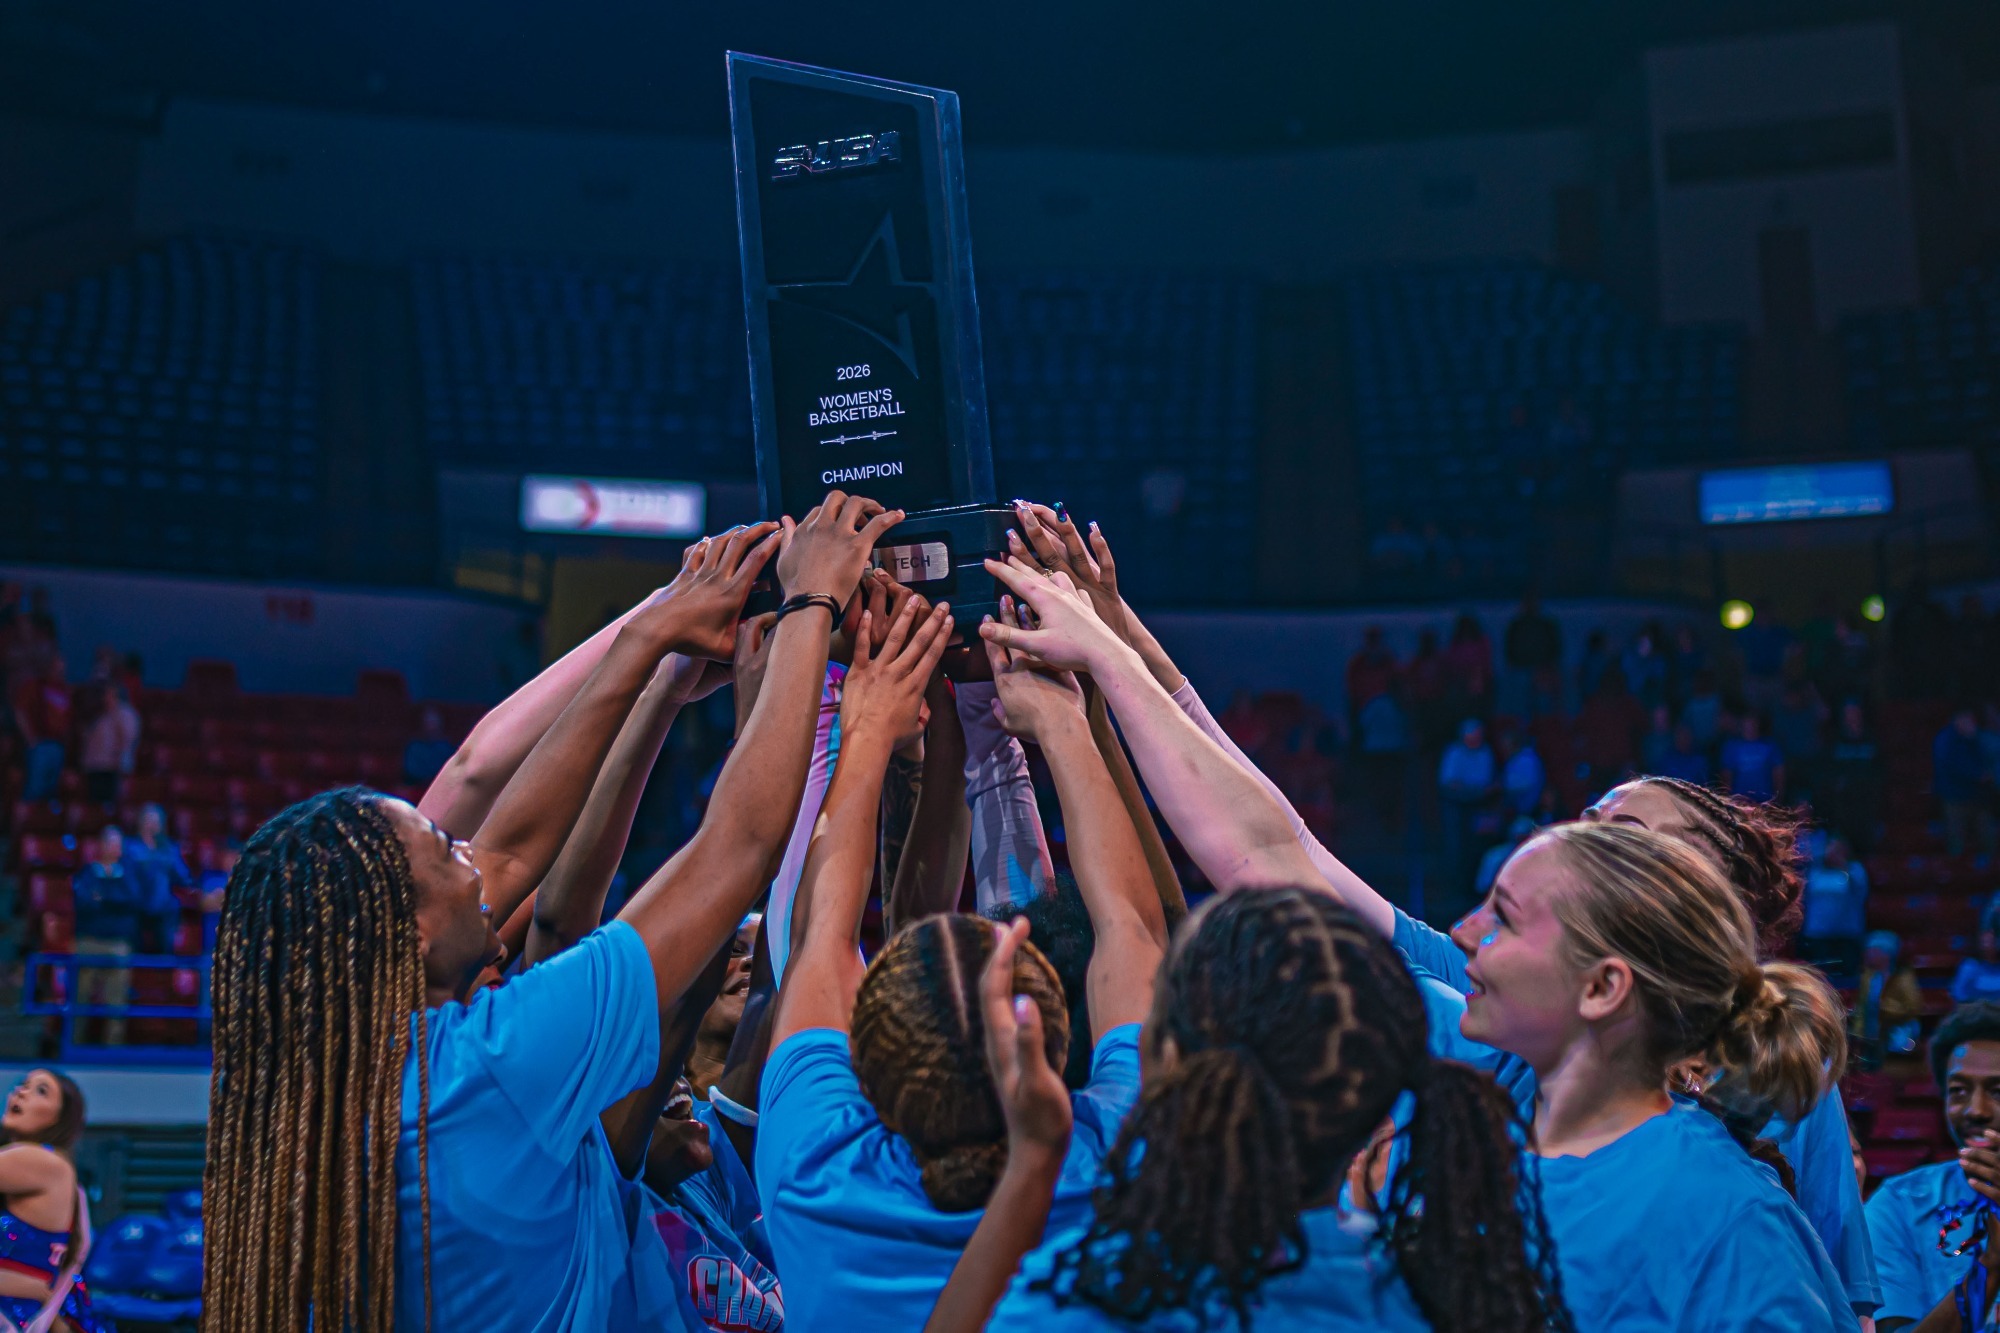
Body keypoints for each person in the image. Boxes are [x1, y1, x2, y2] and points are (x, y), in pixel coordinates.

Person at [974, 554, 1858, 1330]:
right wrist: (1120, 646)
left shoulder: (1740, 1195)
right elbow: (1279, 852)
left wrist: (1101, 673)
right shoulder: (1497, 1074)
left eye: (1506, 918)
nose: (1475, 938)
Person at [201, 499, 899, 1330]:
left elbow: (516, 855)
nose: (477, 862)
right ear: (411, 936)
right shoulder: (487, 1065)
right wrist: (812, 604)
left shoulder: (340, 1093)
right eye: (446, 852)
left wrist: (653, 656)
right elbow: (738, 845)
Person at [757, 586, 1165, 1333]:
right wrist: (1057, 723)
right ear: (1060, 1039)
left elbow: (820, 933)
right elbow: (1132, 928)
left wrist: (862, 724)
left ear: (867, 1070)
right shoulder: (1122, 1159)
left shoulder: (813, 1174)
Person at [939, 891, 1569, 1333]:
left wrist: (1035, 1157)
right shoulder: (1460, 1295)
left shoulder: (1099, 1299)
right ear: (1377, 1106)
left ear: (1166, 1059)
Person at [1864, 1001, 2000, 1330]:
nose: (1975, 1111)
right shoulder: (1898, 1204)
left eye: (1997, 1091)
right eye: (1958, 1091)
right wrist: (1992, 1264)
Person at [0, 1069, 106, 1333]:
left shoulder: (43, 1161)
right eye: (22, 1085)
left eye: (41, 1091)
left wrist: (37, 1291)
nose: (20, 1092)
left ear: (60, 1119)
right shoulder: (56, 1166)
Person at [72, 827, 160, 1046]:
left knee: (117, 1004)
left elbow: (133, 903)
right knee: (79, 1001)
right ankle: (74, 1044)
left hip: (118, 945)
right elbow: (84, 904)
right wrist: (114, 902)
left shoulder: (128, 874)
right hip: (89, 943)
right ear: (101, 846)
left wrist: (103, 899)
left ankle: (112, 1048)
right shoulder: (88, 873)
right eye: (111, 843)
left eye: (118, 844)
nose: (115, 848)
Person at [123, 804, 192, 952]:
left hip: (162, 910)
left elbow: (184, 878)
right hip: (136, 905)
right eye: (149, 820)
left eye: (157, 821)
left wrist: (170, 855)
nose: (153, 825)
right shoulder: (129, 847)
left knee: (170, 905)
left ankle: (165, 968)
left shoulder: (169, 848)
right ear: (140, 822)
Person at [1853, 931, 1925, 1070]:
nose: (1868, 954)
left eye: (1873, 951)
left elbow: (1913, 1007)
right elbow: (1861, 1007)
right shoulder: (1868, 977)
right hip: (1870, 1034)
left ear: (1886, 954)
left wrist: (1885, 1008)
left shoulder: (1903, 978)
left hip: (1894, 1035)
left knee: (1891, 1070)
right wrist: (1858, 1033)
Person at [1801, 836, 1869, 977]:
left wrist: (1842, 865)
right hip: (1818, 933)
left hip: (1846, 934)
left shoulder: (1855, 870)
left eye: (1838, 849)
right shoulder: (1815, 872)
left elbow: (1860, 892)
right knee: (1821, 974)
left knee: (1846, 974)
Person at [1936, 709, 1996, 859]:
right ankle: (1956, 871)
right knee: (1956, 839)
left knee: (1987, 834)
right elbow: (1952, 765)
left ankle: (1988, 867)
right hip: (1955, 798)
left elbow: (1987, 758)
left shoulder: (1976, 738)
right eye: (1967, 720)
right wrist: (1978, 775)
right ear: (1958, 720)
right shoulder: (1945, 740)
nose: (1971, 724)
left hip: (1978, 797)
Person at [12, 655, 70, 802]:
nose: (59, 670)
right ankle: (26, 821)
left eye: (62, 667)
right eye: (56, 666)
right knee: (35, 787)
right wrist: (30, 738)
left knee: (52, 789)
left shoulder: (64, 689)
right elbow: (19, 711)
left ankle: (47, 822)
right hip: (40, 745)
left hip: (58, 745)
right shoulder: (35, 686)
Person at [77, 680, 139, 806]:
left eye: (108, 694)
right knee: (94, 807)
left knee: (107, 807)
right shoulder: (103, 716)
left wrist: (121, 762)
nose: (105, 697)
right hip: (95, 768)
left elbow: (127, 739)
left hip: (110, 769)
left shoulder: (124, 713)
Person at [1502, 592, 1562, 718]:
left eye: (1533, 602)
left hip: (1543, 670)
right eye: (1527, 603)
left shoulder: (1547, 624)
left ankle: (1544, 726)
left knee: (1544, 705)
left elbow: (1555, 647)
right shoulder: (1516, 625)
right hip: (1520, 669)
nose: (1530, 605)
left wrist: (1549, 667)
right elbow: (1509, 647)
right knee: (1520, 706)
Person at [1720, 712, 1786, 805]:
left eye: (1753, 723)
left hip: (1765, 801)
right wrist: (1728, 801)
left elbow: (1779, 774)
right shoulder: (1731, 746)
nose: (1750, 727)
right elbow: (1727, 777)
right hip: (1740, 802)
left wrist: (1778, 800)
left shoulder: (1771, 746)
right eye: (1747, 723)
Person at [402, 707, 457, 785]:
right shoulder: (414, 747)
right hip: (417, 786)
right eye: (428, 721)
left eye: (434, 720)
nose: (432, 724)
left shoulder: (447, 746)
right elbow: (411, 771)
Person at [1952, 918, 2000, 1005]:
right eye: (1985, 940)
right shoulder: (1969, 967)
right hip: (1974, 1014)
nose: (1988, 944)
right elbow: (1959, 996)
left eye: (1992, 940)